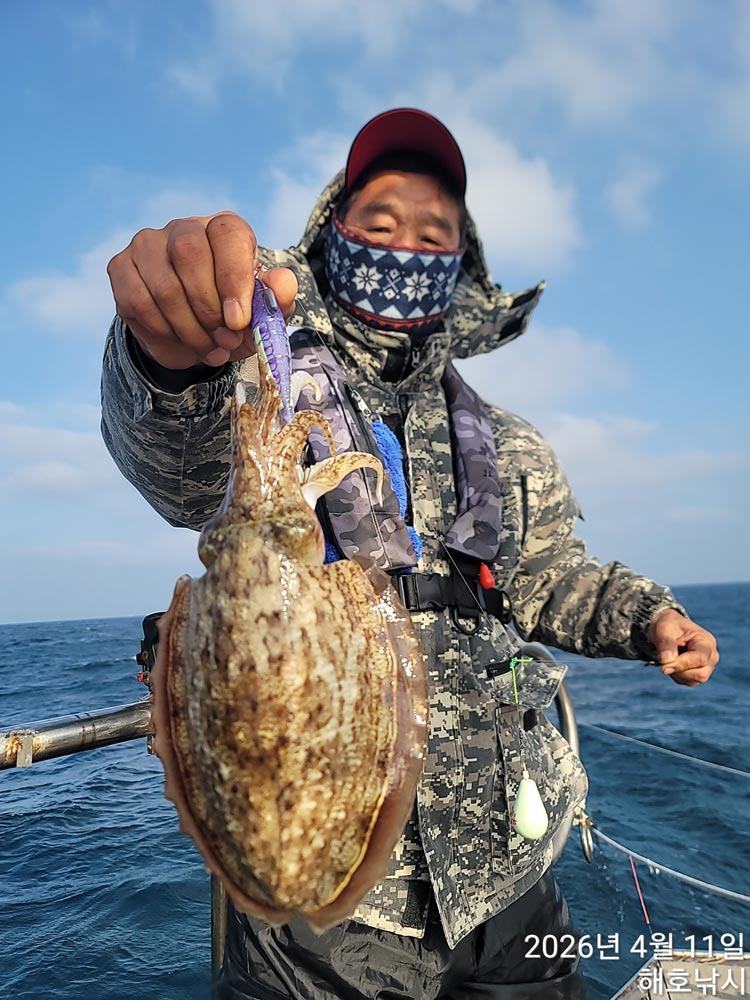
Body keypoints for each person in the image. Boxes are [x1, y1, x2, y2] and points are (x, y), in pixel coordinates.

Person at [101, 109, 719, 999]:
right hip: (331, 918)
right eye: (380, 221)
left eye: (434, 234)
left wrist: (649, 617)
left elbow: (550, 579)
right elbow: (176, 460)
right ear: (332, 232)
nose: (405, 246)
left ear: (461, 265)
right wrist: (170, 361)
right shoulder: (266, 386)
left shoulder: (507, 443)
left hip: (509, 864)